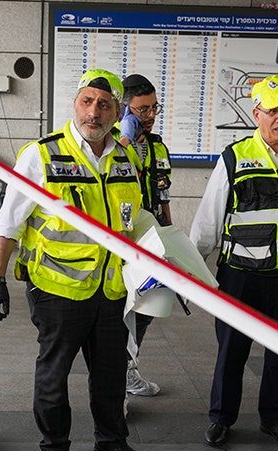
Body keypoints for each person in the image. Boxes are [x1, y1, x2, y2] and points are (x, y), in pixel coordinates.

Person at [0, 68, 150, 451]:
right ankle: (55, 446)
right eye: (87, 101)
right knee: (54, 375)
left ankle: (111, 440)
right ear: (75, 104)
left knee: (111, 375)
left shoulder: (126, 159)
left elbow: (133, 223)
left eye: (104, 104)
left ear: (117, 111)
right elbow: (8, 221)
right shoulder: (40, 155)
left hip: (111, 292)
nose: (94, 111)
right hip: (58, 291)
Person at [191, 75, 278, 449]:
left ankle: (273, 419)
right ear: (257, 113)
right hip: (240, 276)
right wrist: (191, 273)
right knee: (232, 350)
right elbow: (208, 221)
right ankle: (221, 419)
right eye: (272, 111)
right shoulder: (235, 157)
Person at [115, 73, 172, 400]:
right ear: (124, 110)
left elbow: (163, 198)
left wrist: (170, 240)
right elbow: (106, 171)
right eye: (141, 110)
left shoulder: (158, 146)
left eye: (154, 108)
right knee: (120, 314)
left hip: (152, 242)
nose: (150, 116)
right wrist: (124, 139)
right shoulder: (110, 143)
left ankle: (129, 368)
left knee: (148, 309)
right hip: (121, 244)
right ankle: (117, 382)